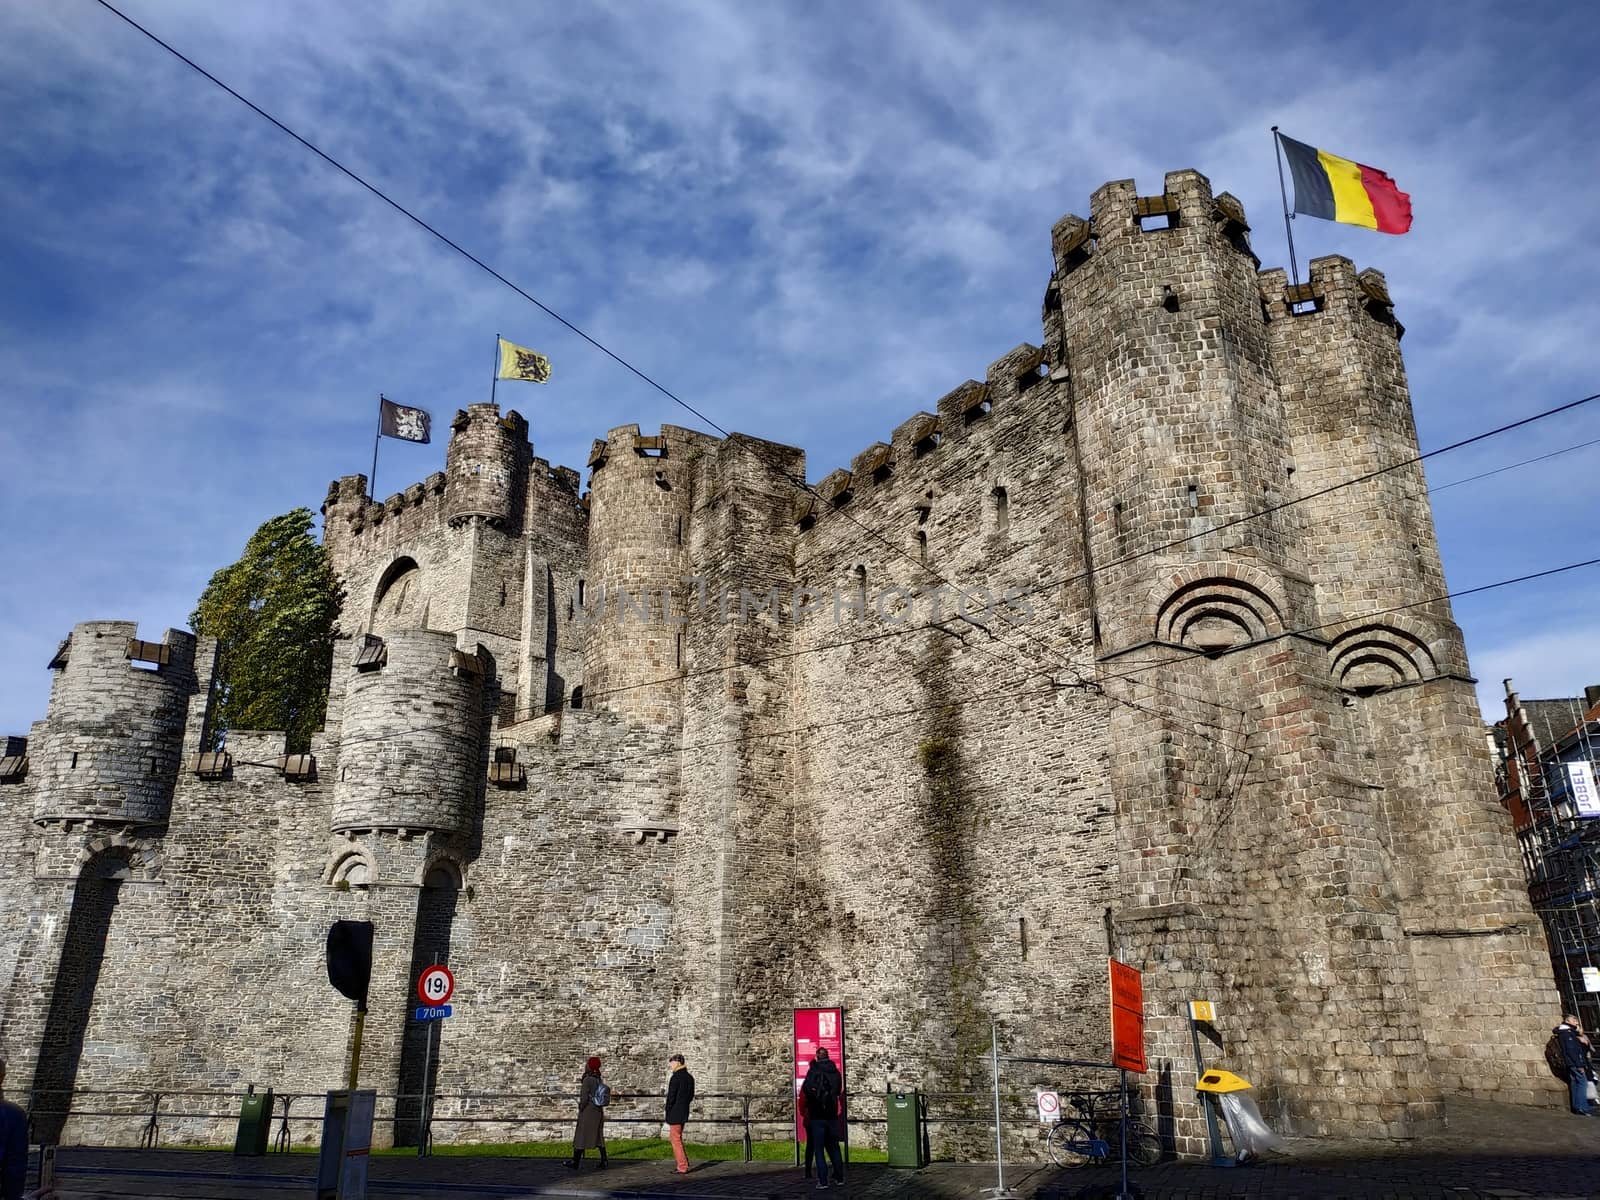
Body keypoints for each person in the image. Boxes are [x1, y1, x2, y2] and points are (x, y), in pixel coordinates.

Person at [800, 1048, 844, 1189]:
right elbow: (837, 1091)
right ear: (828, 1056)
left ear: (817, 1057)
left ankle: (823, 1181)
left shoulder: (813, 1071)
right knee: (834, 1147)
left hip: (817, 1114)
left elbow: (806, 1089)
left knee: (819, 1149)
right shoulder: (835, 1073)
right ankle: (839, 1177)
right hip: (831, 1114)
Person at [567, 1056, 608, 1170]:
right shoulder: (598, 1079)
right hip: (598, 1111)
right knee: (599, 1136)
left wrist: (581, 1107)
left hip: (588, 1111)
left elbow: (584, 1098)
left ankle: (575, 1162)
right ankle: (604, 1160)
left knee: (581, 1136)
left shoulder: (587, 1080)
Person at [1553, 1014, 1595, 1116]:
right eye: (1574, 1020)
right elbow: (1571, 1050)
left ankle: (1577, 1106)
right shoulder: (1567, 1033)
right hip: (1574, 1062)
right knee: (1582, 1082)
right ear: (1568, 1021)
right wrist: (1579, 1064)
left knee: (1575, 1082)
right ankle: (1582, 1107)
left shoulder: (1569, 1032)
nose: (1576, 1022)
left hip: (1572, 1061)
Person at [664, 1053, 695, 1174]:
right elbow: (690, 1095)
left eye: (671, 1062)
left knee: (675, 1139)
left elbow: (671, 1097)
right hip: (684, 1110)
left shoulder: (676, 1077)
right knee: (677, 1137)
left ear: (677, 1062)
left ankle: (682, 1165)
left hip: (675, 1112)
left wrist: (668, 1110)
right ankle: (684, 1161)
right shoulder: (689, 1077)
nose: (670, 1065)